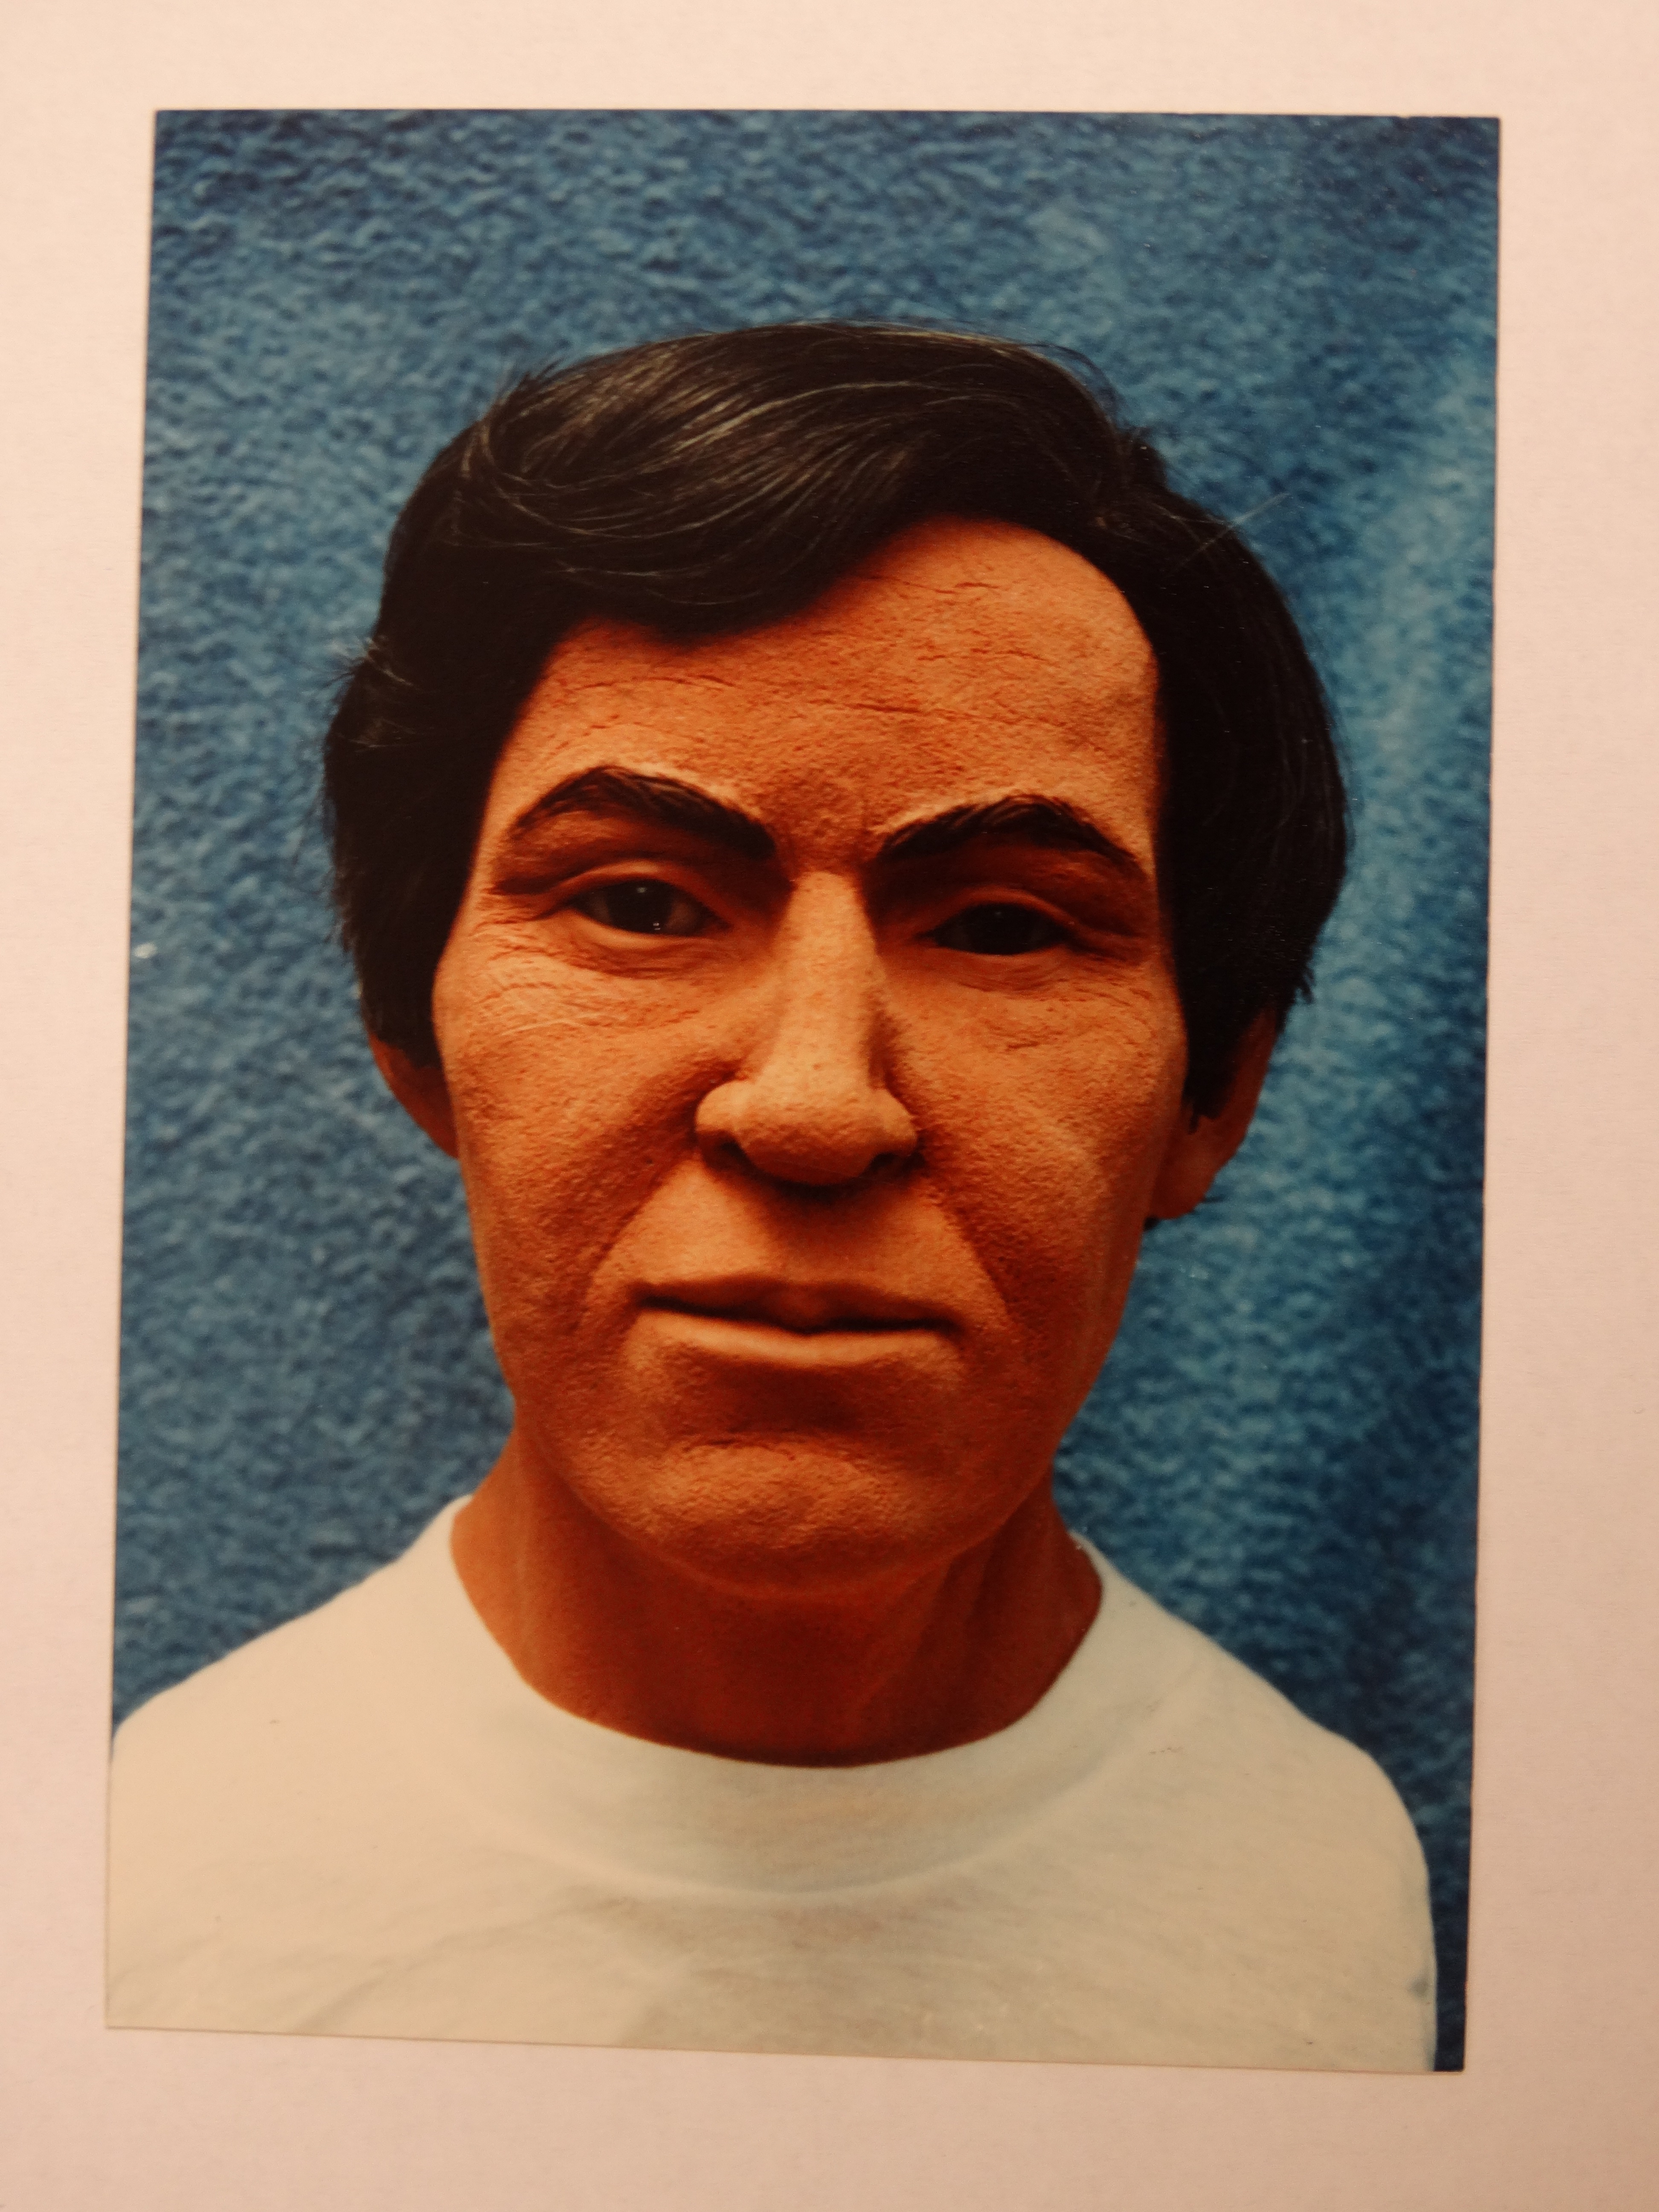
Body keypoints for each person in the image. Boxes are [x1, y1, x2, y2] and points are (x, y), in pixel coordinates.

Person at [107, 323, 1435, 2069]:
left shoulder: (1328, 1892)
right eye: (640, 904)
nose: (814, 1107)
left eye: (1004, 926)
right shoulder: (145, 1894)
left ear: (1219, 1097)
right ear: (412, 1040)